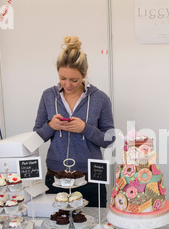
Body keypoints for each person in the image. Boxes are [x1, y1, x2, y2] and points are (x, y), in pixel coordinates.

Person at [34, 36, 115, 207]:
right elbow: (37, 136)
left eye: (74, 80)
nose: (67, 84)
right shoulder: (48, 96)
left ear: (84, 74)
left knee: (93, 228)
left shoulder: (100, 99)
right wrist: (51, 126)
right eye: (63, 78)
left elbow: (110, 139)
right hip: (56, 175)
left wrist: (85, 128)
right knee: (57, 226)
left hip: (90, 177)